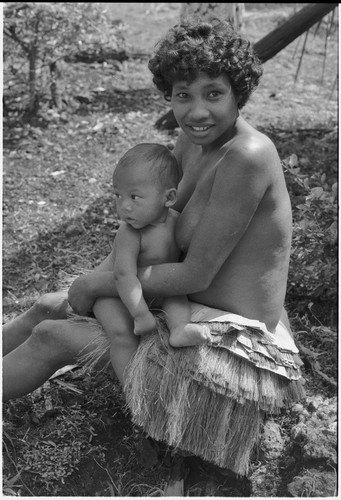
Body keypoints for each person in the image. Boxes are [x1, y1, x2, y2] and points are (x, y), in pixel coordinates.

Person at [3, 18, 304, 476]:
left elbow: (195, 274)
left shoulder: (248, 156)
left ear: (239, 93)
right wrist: (87, 290)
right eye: (183, 95)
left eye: (213, 94)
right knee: (49, 306)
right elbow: (151, 230)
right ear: (169, 95)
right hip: (186, 308)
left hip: (232, 340)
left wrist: (99, 283)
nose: (197, 111)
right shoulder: (191, 143)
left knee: (54, 336)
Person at [91, 142, 210, 384]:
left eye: (134, 197)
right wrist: (140, 313)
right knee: (122, 335)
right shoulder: (130, 234)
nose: (124, 206)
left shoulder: (178, 223)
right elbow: (123, 277)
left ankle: (179, 329)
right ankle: (131, 389)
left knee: (176, 296)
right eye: (118, 195)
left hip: (154, 289)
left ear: (169, 198)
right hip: (113, 295)